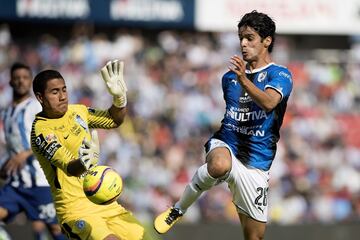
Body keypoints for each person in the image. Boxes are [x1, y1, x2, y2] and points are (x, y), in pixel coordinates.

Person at [154, 10, 293, 240]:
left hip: (256, 162)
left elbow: (269, 103)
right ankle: (178, 209)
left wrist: (243, 80)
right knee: (219, 165)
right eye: (241, 38)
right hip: (226, 142)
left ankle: (230, 182)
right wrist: (241, 79)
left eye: (249, 38)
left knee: (255, 237)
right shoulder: (229, 78)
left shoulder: (280, 75)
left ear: (267, 41)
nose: (243, 44)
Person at [30, 60, 152, 240]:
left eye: (64, 90)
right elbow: (70, 168)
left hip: (104, 201)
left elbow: (113, 120)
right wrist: (85, 161)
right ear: (40, 97)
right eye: (55, 92)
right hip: (75, 209)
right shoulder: (41, 131)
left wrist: (120, 99)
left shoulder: (78, 111)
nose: (62, 96)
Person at [0, 63, 65, 240]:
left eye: (25, 77)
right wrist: (6, 163)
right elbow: (13, 146)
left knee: (56, 230)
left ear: (30, 81)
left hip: (40, 182)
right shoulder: (6, 112)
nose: (21, 81)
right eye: (17, 78)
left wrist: (26, 154)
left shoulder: (36, 108)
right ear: (11, 82)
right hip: (16, 183)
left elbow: (53, 138)